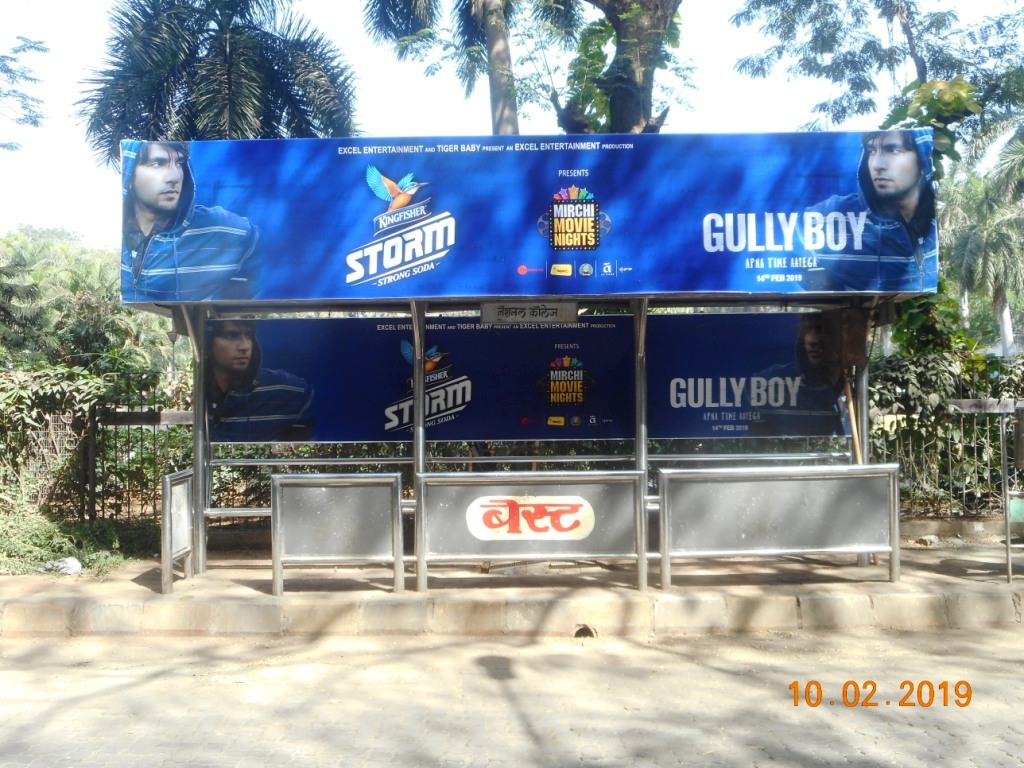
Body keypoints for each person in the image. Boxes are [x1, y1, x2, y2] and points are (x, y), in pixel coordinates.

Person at [121, 140, 261, 303]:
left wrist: (231, 304)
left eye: (179, 163)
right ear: (129, 175)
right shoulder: (116, 236)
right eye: (158, 163)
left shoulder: (219, 227)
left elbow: (271, 251)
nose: (174, 177)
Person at [802, 128, 937, 293]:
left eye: (893, 150)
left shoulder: (935, 226)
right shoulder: (830, 217)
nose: (877, 164)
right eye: (871, 151)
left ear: (923, 162)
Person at [205, 319, 314, 442]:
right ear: (208, 344)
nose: (245, 346)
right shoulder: (198, 393)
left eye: (248, 335)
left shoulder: (288, 390)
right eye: (231, 335)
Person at [750, 313, 848, 438]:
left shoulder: (848, 386)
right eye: (808, 331)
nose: (813, 340)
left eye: (821, 331)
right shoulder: (773, 379)